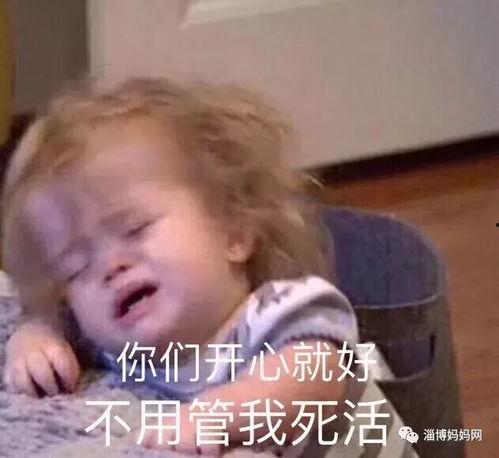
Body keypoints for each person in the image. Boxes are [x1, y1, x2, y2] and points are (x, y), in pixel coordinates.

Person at [1, 78, 407, 456]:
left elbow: (315, 380)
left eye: (135, 229)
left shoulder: (278, 311)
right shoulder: (118, 346)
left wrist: (214, 416)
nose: (110, 267)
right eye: (76, 267)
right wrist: (35, 338)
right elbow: (62, 323)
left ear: (233, 232)